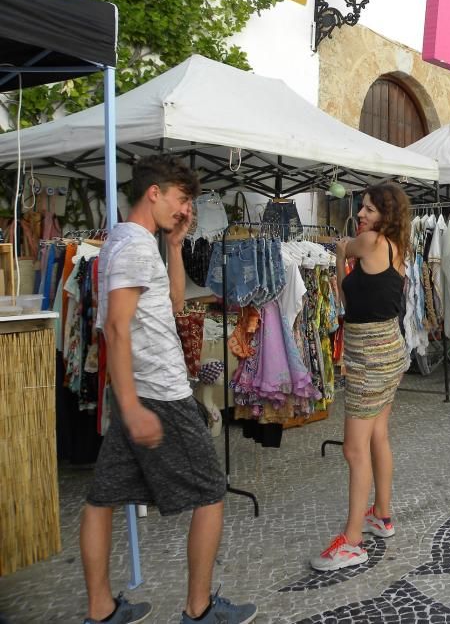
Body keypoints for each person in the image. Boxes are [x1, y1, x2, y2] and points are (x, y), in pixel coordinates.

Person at [82, 157, 257, 624]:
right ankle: (198, 610)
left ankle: (100, 611)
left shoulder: (130, 241)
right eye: (181, 200)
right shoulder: (134, 248)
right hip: (158, 392)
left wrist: (176, 246)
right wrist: (135, 406)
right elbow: (117, 329)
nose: (184, 210)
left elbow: (175, 304)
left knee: (102, 500)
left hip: (139, 392)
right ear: (154, 192)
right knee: (211, 492)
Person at [312, 183, 410, 571]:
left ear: (385, 215)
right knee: (379, 437)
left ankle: (352, 541)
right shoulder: (397, 247)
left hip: (370, 356)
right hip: (388, 350)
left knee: (354, 449)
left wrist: (339, 251)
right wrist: (342, 262)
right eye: (362, 208)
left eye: (369, 208)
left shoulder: (369, 241)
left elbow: (345, 251)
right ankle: (381, 515)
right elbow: (348, 297)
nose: (362, 214)